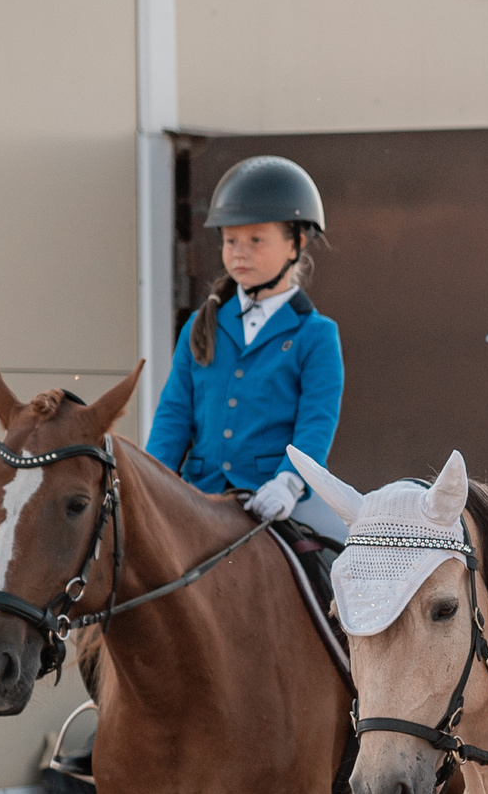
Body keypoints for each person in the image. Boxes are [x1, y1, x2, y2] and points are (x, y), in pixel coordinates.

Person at [145, 155, 345, 536]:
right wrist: (152, 478)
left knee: (344, 560)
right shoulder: (199, 326)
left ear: (295, 244)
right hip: (198, 493)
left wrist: (288, 482)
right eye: (230, 240)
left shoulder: (317, 335)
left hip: (274, 496)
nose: (239, 251)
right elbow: (174, 414)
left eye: (256, 240)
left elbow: (316, 423)